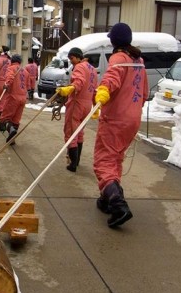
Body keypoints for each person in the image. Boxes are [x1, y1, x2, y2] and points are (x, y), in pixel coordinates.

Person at [93, 22, 149, 228]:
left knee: (103, 162)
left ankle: (118, 204)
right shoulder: (139, 61)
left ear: (113, 41)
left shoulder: (118, 58)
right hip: (132, 119)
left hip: (115, 119)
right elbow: (144, 94)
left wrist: (103, 92)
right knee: (115, 159)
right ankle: (106, 198)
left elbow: (111, 79)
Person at [56, 47, 97, 172]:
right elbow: (95, 88)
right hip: (87, 105)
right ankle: (77, 160)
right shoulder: (92, 69)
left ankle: (73, 163)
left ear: (78, 57)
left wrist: (70, 88)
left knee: (71, 131)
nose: (71, 61)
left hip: (77, 103)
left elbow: (79, 81)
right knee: (79, 131)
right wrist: (95, 105)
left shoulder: (80, 67)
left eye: (72, 58)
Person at [0, 54, 30, 144]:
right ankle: (12, 139)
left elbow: (10, 77)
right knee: (16, 119)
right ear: (20, 62)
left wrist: (6, 84)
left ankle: (11, 130)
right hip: (23, 98)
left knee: (5, 117)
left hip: (13, 96)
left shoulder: (11, 68)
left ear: (12, 61)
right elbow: (27, 86)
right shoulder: (25, 71)